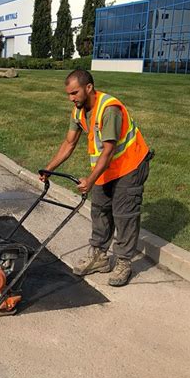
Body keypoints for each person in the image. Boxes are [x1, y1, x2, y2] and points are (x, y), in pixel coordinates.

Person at [41, 69, 152, 287]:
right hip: (106, 168)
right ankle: (100, 257)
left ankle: (123, 262)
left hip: (130, 165)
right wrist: (49, 169)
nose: (71, 98)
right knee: (99, 209)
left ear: (89, 88)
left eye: (74, 93)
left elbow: (109, 150)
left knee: (124, 214)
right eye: (69, 94)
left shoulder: (109, 109)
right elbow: (69, 143)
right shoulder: (79, 111)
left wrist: (90, 180)